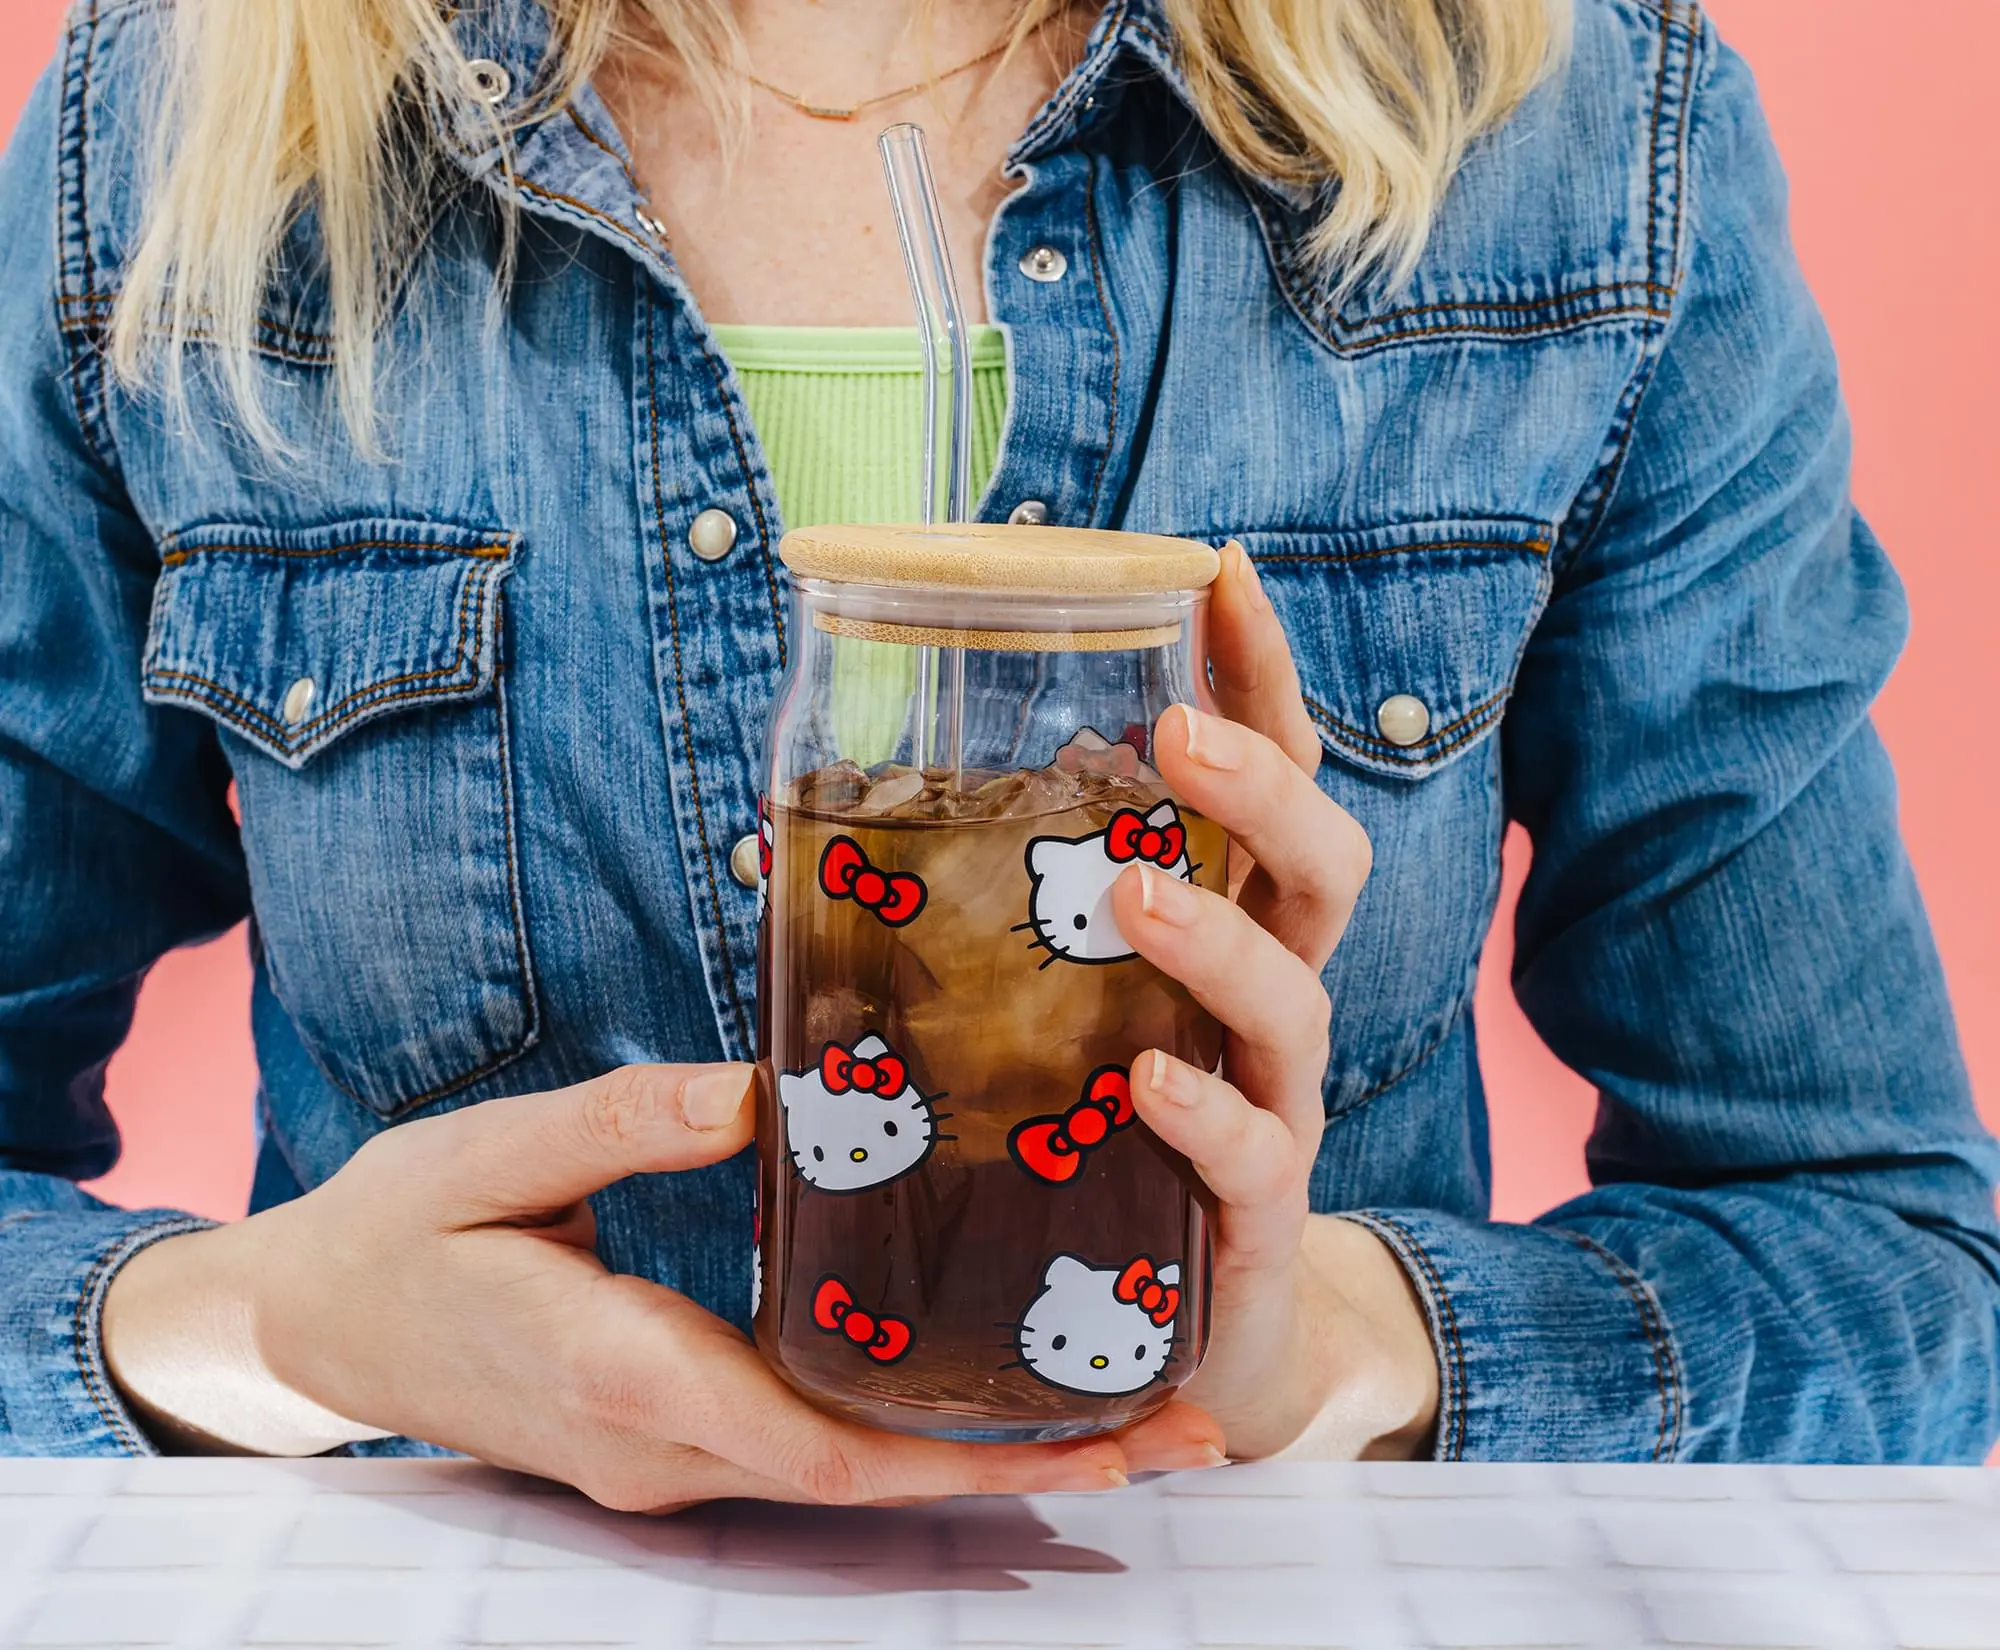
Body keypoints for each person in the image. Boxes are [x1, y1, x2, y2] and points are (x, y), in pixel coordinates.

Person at [1, 0, 1993, 1494]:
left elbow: (1899, 1263)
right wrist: (278, 1332)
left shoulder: (1569, 123)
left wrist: (1333, 1349)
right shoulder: (162, 130)